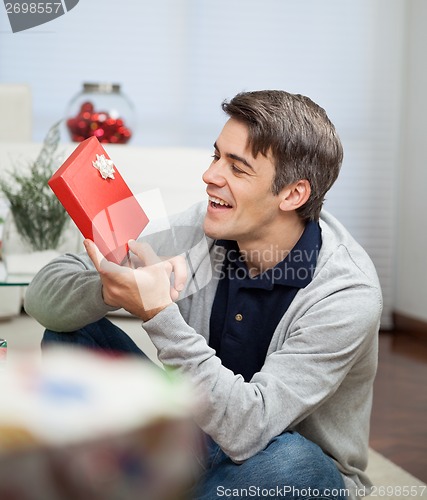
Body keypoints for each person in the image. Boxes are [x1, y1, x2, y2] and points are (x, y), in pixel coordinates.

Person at [24, 90, 382, 500]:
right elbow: (43, 295)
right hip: (195, 438)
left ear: (293, 195)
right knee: (72, 337)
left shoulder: (346, 291)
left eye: (237, 167)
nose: (210, 176)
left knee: (296, 463)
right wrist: (108, 288)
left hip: (279, 464)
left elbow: (249, 429)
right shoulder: (205, 227)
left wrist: (159, 312)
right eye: (216, 156)